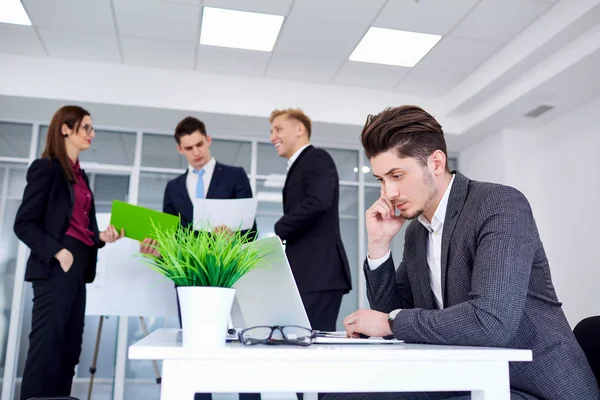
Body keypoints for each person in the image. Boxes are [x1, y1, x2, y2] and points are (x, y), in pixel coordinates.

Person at [323, 105, 600, 400]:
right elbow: (390, 310)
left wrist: (391, 322)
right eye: (382, 179)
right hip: (466, 375)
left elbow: (491, 322)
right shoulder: (417, 231)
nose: (388, 193)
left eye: (397, 175)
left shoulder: (499, 204)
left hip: (533, 386)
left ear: (436, 163)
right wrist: (379, 246)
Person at [140, 116, 258, 400]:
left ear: (209, 139)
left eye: (200, 144)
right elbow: (169, 237)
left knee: (242, 348)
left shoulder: (235, 176)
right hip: (190, 280)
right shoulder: (174, 188)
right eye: (189, 147)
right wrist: (155, 246)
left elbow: (251, 230)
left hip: (229, 276)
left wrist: (231, 235)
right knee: (195, 350)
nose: (197, 152)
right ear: (180, 150)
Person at [14, 105, 124, 400]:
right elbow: (23, 223)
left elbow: (84, 230)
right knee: (47, 347)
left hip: (79, 269)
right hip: (55, 267)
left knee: (69, 349)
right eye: (86, 127)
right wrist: (60, 253)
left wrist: (102, 236)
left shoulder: (81, 177)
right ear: (65, 128)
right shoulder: (46, 169)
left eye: (91, 128)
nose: (92, 133)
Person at [269, 108, 352, 332]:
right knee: (301, 340)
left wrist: (279, 227)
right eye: (271, 131)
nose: (272, 137)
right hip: (308, 273)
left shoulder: (316, 158)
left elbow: (318, 200)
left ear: (299, 129)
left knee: (311, 344)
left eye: (278, 129)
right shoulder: (298, 165)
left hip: (319, 272)